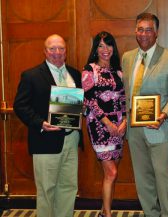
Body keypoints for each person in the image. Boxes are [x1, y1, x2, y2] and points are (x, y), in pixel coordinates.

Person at [122, 12, 168, 217]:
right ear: (135, 31)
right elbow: (126, 92)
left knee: (164, 179)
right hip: (134, 129)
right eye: (140, 29)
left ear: (157, 32)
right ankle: (151, 214)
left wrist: (164, 115)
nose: (144, 33)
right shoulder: (128, 57)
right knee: (143, 179)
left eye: (149, 29)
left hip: (160, 128)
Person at [13, 34, 82, 217]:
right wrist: (41, 123)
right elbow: (20, 105)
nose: (57, 52)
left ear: (66, 52)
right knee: (46, 191)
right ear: (45, 51)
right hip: (45, 140)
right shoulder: (31, 75)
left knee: (68, 188)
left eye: (61, 48)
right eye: (52, 48)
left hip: (71, 139)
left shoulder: (75, 74)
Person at [82, 31, 126, 217]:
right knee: (112, 173)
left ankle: (103, 211)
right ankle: (107, 215)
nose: (105, 49)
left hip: (119, 127)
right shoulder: (89, 70)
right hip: (99, 126)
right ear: (95, 49)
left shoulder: (118, 71)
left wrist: (124, 122)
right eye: (100, 45)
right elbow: (89, 100)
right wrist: (107, 122)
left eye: (108, 45)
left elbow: (124, 99)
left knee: (111, 174)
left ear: (113, 48)